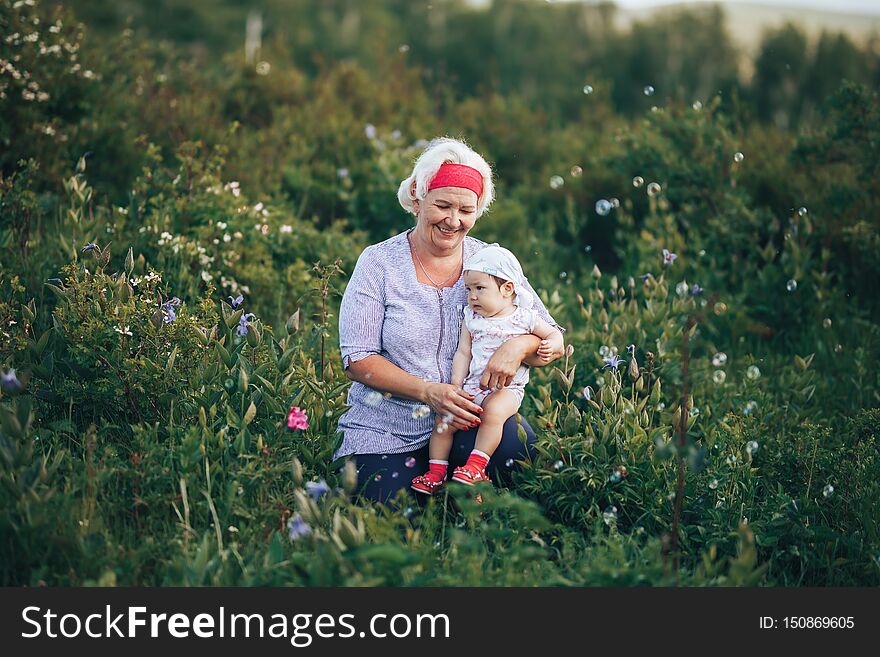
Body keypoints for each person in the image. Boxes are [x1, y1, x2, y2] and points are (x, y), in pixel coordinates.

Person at [335, 136, 566, 503]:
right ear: (417, 198)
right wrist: (429, 393)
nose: (453, 221)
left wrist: (519, 345)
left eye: (466, 210)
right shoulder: (378, 263)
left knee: (520, 466)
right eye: (442, 205)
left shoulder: (490, 262)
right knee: (388, 512)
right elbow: (358, 360)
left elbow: (552, 341)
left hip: (470, 422)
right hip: (388, 429)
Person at [411, 245, 563, 494]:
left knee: (493, 412)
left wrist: (553, 342)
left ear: (507, 289)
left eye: (480, 288)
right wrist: (456, 386)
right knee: (444, 420)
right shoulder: (472, 318)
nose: (472, 296)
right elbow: (463, 353)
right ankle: (436, 473)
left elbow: (553, 333)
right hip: (474, 385)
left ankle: (476, 466)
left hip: (508, 390)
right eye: (468, 289)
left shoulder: (524, 317)